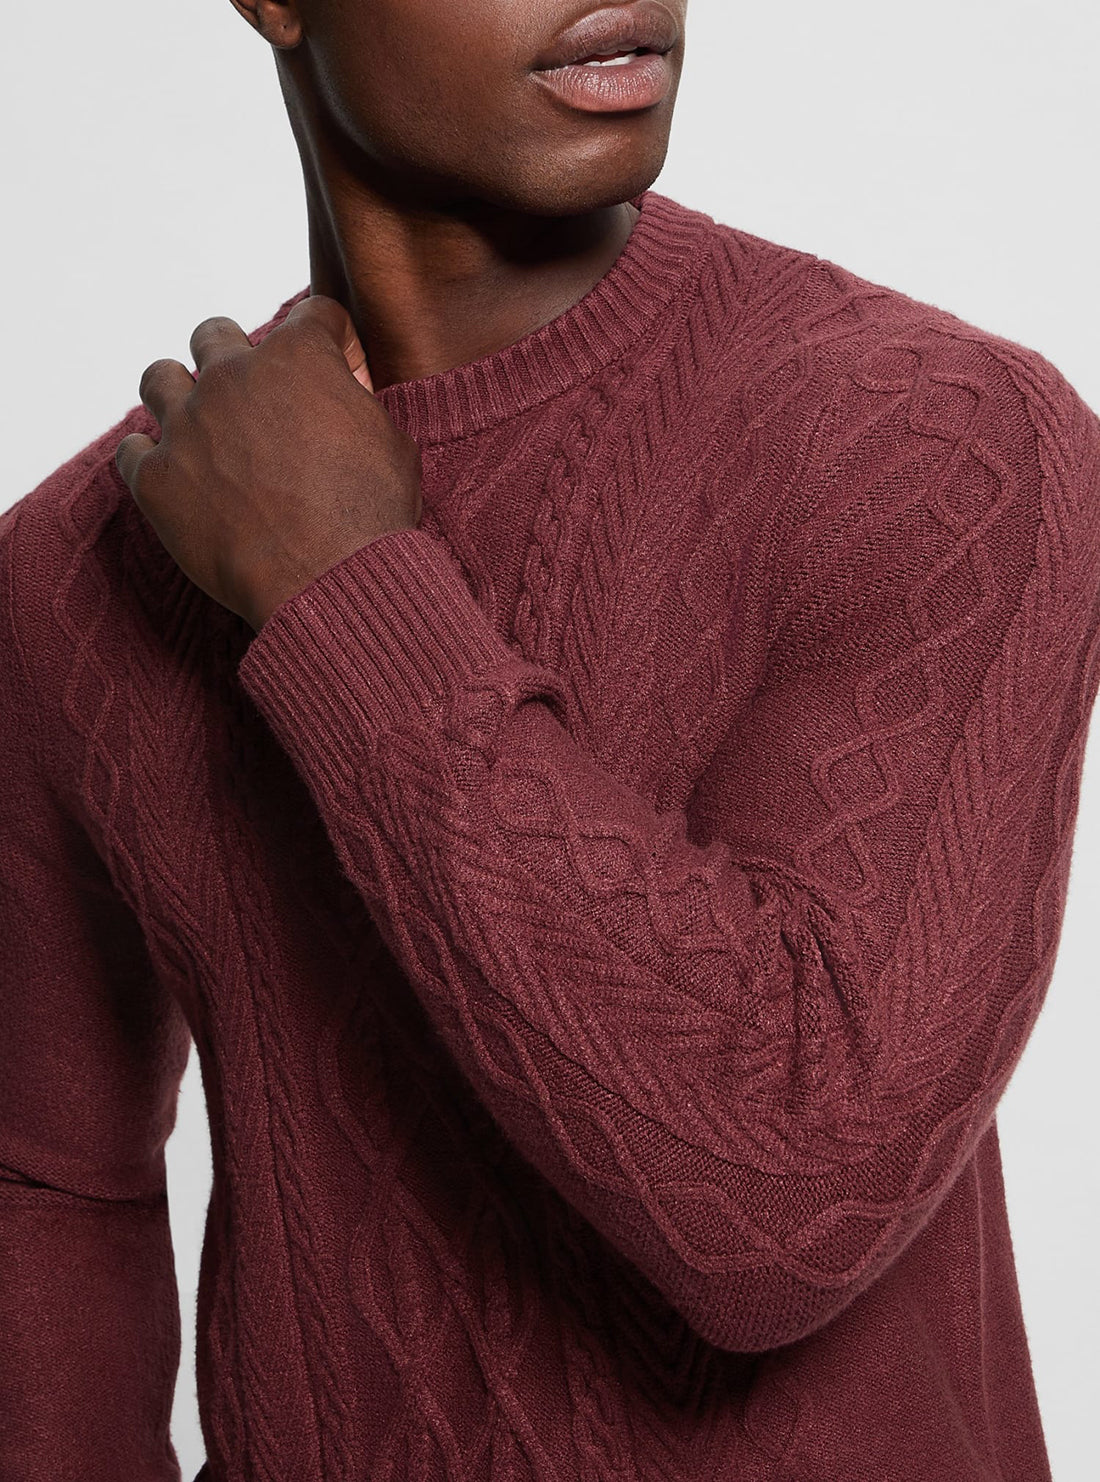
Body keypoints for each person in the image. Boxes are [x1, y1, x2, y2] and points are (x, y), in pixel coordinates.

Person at [1, 0, 1097, 1477]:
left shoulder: (938, 446)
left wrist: (342, 595)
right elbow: (50, 1190)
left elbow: (788, 1203)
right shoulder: (75, 576)